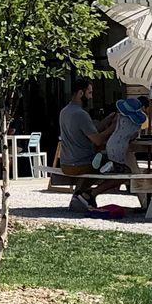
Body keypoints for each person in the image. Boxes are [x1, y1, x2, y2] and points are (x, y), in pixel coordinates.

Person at [59, 81, 114, 211]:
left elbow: (90, 131)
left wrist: (105, 121)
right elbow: (98, 140)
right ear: (80, 93)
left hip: (66, 163)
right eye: (89, 93)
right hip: (81, 163)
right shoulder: (81, 114)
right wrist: (113, 127)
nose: (91, 97)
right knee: (119, 168)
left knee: (99, 163)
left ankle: (78, 197)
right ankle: (89, 195)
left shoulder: (65, 111)